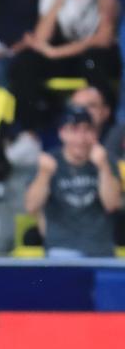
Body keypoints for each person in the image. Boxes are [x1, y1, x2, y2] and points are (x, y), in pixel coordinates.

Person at [8, 0, 121, 144]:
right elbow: (41, 39)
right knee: (26, 62)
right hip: (69, 56)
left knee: (95, 59)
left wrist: (56, 52)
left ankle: (103, 134)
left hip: (98, 55)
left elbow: (105, 37)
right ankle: (30, 133)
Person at [25, 105, 121, 258]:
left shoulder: (106, 160)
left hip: (101, 249)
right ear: (62, 133)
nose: (81, 138)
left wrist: (103, 167)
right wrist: (44, 175)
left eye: (87, 130)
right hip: (61, 248)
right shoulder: (47, 162)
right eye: (74, 130)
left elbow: (113, 205)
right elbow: (31, 207)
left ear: (95, 133)